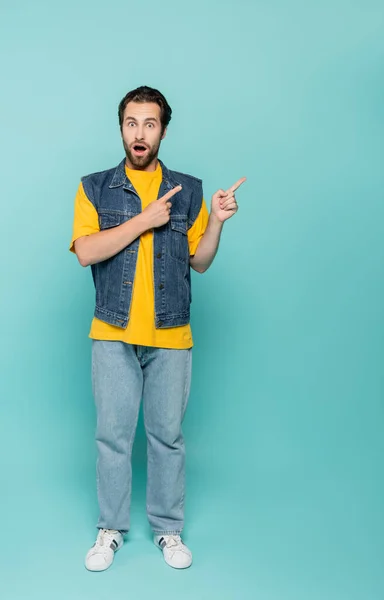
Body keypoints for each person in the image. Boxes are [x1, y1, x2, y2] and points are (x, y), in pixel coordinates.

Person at [70, 85, 245, 572]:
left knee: (167, 436)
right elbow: (86, 250)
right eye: (131, 123)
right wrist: (144, 220)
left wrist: (218, 224)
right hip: (113, 332)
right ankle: (111, 528)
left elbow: (200, 262)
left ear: (163, 130)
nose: (140, 134)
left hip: (171, 335)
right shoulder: (94, 187)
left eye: (150, 124)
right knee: (112, 436)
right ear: (121, 128)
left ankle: (168, 529)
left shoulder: (188, 189)